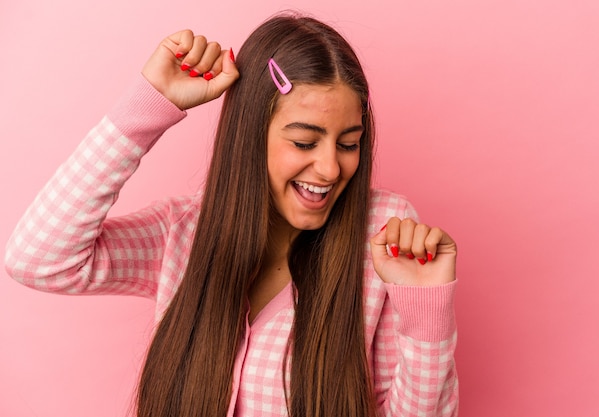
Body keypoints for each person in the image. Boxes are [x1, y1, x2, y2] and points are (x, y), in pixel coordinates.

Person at [4, 12, 459, 417]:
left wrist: (427, 318)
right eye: (304, 142)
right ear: (249, 134)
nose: (330, 168)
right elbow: (39, 259)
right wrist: (148, 107)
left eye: (348, 143)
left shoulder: (382, 237)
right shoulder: (183, 234)